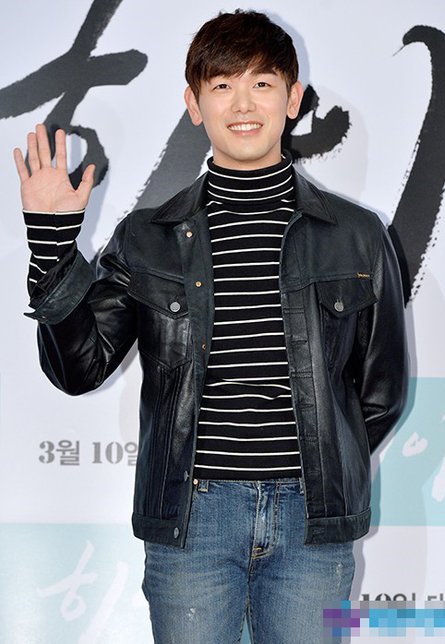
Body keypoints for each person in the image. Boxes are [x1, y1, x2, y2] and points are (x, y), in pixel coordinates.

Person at [14, 10, 408, 644]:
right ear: (193, 104)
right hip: (191, 520)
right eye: (222, 85)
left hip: (312, 522)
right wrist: (52, 247)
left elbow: (381, 391)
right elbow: (79, 369)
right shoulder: (146, 238)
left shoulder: (358, 236)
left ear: (293, 99)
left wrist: (323, 470)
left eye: (262, 83)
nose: (242, 104)